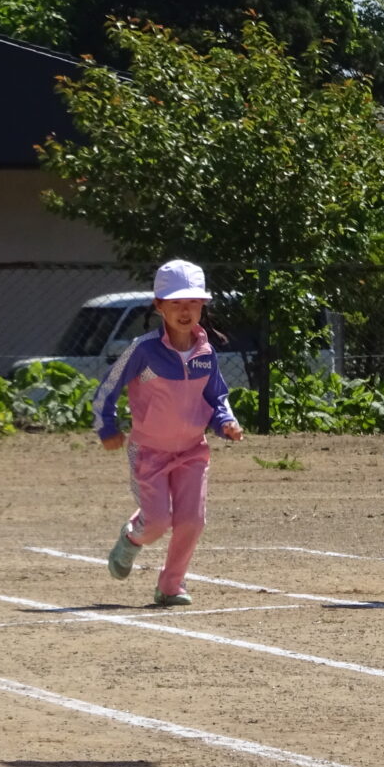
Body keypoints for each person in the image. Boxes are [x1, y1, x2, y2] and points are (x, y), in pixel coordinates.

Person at [92, 259, 244, 607]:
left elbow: (216, 396)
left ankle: (171, 586)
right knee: (158, 522)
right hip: (149, 452)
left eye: (193, 302)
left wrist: (226, 423)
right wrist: (108, 427)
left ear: (203, 306)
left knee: (192, 521)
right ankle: (132, 538)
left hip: (193, 451)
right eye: (176, 302)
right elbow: (108, 388)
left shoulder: (207, 353)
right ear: (159, 306)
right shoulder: (143, 350)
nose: (185, 310)